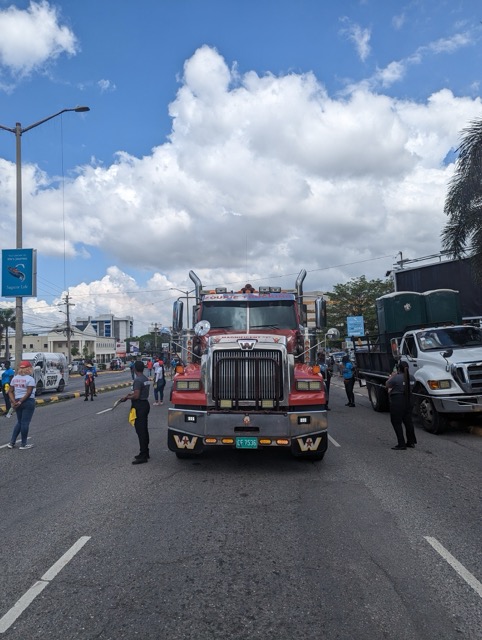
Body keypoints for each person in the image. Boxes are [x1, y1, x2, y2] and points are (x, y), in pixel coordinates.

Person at [120, 360, 151, 464]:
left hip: (140, 406)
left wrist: (126, 398)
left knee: (140, 431)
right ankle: (145, 452)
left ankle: (143, 456)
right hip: (145, 404)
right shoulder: (145, 378)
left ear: (135, 369)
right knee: (144, 430)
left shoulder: (137, 380)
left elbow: (136, 395)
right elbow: (139, 392)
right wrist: (130, 395)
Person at [386, 361, 417, 450]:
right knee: (408, 421)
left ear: (399, 369)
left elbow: (387, 385)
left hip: (398, 400)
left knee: (396, 422)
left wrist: (391, 376)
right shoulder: (412, 378)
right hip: (409, 400)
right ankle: (411, 442)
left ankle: (401, 443)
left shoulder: (396, 378)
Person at [7, 360, 36, 450]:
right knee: (25, 423)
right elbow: (28, 393)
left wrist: (14, 402)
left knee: (19, 422)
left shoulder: (15, 378)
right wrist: (21, 402)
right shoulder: (30, 379)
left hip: (17, 400)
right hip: (28, 402)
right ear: (29, 369)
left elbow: (10, 391)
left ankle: (12, 443)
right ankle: (23, 444)